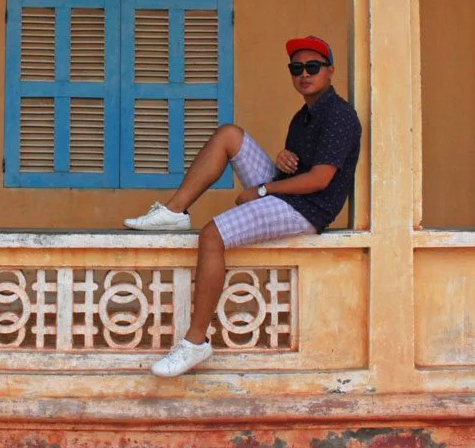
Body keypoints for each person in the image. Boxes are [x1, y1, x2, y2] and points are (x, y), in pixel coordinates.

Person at [123, 35, 362, 377]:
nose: (304, 74)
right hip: (288, 194)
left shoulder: (339, 115)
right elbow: (298, 169)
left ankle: (195, 343)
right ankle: (174, 212)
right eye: (297, 68)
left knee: (211, 236)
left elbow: (320, 179)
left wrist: (263, 189)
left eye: (313, 67)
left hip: (308, 209)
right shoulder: (303, 117)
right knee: (229, 135)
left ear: (330, 72)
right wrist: (282, 160)